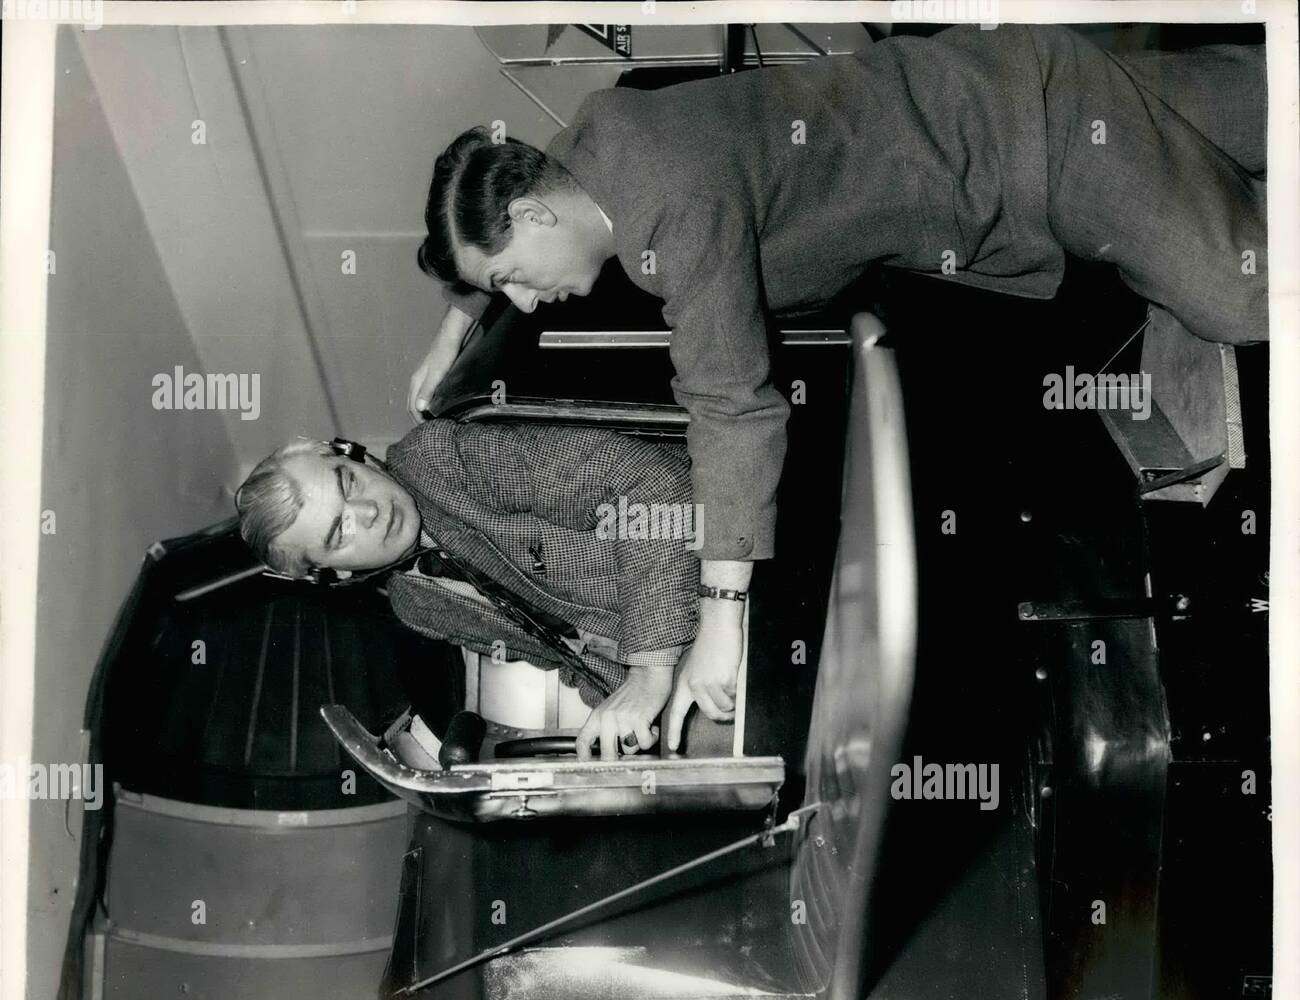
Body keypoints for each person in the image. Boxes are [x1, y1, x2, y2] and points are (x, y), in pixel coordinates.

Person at [405, 23, 1268, 750]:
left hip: (1032, 144)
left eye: (512, 275)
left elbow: (733, 408)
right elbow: (492, 182)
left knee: (1247, 295)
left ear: (533, 216)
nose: (523, 302)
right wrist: (454, 325)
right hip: (1002, 91)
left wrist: (720, 623)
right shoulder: (592, 145)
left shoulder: (669, 203)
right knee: (1268, 104)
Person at [234, 418, 700, 763]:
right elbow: (566, 656)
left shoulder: (437, 459)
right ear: (334, 576)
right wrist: (627, 725)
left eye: (347, 482)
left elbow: (650, 484)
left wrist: (649, 674)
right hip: (687, 681)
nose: (369, 511)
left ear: (352, 455)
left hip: (729, 579)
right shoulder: (416, 606)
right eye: (340, 532)